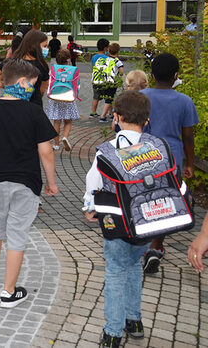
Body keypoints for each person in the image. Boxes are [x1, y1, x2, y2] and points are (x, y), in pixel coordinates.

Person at [0, 58, 58, 308]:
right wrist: (51, 182)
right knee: (17, 232)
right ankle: (9, 292)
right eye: (32, 84)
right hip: (26, 182)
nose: (33, 89)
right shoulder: (34, 112)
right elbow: (46, 152)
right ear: (21, 82)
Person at [83, 91, 154, 347]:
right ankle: (134, 321)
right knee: (134, 265)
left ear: (116, 117)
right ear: (146, 120)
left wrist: (90, 208)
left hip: (117, 222)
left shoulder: (109, 151)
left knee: (115, 272)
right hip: (147, 222)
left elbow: (94, 182)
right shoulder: (154, 147)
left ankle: (113, 332)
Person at [139, 53, 200, 274]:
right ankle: (155, 247)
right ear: (177, 76)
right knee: (164, 203)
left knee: (141, 198)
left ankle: (138, 239)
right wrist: (190, 163)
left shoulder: (141, 97)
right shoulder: (185, 101)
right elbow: (188, 136)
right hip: (172, 160)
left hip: (142, 158)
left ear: (151, 74)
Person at [0, 29, 49, 107]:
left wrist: (7, 86)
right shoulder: (42, 65)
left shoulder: (10, 62)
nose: (46, 49)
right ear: (35, 45)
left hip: (13, 106)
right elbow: (42, 90)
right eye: (44, 46)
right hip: (34, 106)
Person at [45, 49, 80, 151]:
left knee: (57, 121)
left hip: (55, 97)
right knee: (68, 121)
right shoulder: (73, 69)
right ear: (68, 59)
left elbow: (50, 82)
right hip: (68, 97)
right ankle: (65, 137)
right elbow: (77, 85)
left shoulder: (54, 69)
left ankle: (56, 144)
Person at [96, 43, 124, 123]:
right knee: (109, 99)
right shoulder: (117, 61)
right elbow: (121, 72)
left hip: (104, 81)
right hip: (112, 82)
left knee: (109, 97)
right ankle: (103, 116)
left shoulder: (106, 59)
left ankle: (112, 114)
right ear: (118, 52)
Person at [89, 38, 111, 118]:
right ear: (105, 48)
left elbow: (93, 67)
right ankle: (110, 113)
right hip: (104, 80)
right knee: (108, 97)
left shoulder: (94, 57)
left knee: (96, 97)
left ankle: (93, 112)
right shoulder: (107, 58)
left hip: (96, 79)